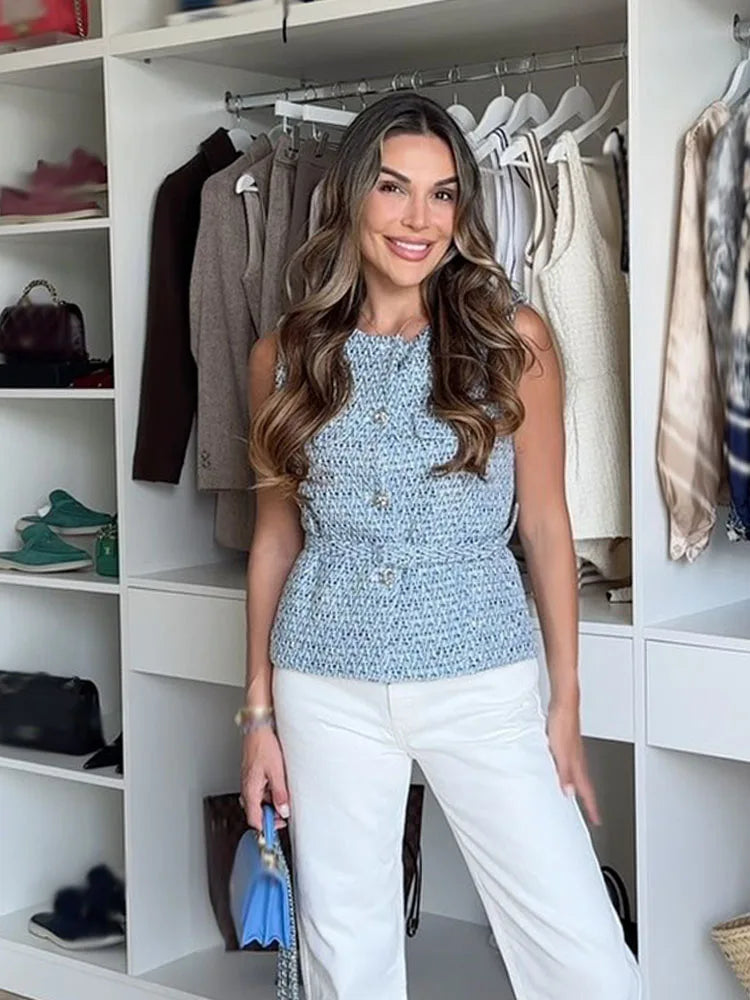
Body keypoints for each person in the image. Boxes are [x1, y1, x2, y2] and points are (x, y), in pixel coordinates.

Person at [240, 92, 641, 1000]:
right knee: (347, 950)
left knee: (581, 951)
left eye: (443, 193)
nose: (419, 218)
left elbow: (546, 526)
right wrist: (257, 716)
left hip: (481, 677)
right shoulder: (284, 356)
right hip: (324, 682)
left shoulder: (512, 340)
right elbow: (274, 541)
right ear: (351, 197)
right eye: (393, 188)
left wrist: (565, 704)